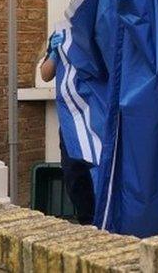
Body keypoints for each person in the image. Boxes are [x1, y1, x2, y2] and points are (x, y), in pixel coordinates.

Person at [40, 29, 95, 225]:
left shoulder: (97, 26)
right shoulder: (61, 33)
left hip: (96, 118)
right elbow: (45, 74)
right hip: (71, 123)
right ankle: (87, 223)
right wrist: (55, 53)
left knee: (96, 175)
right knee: (75, 176)